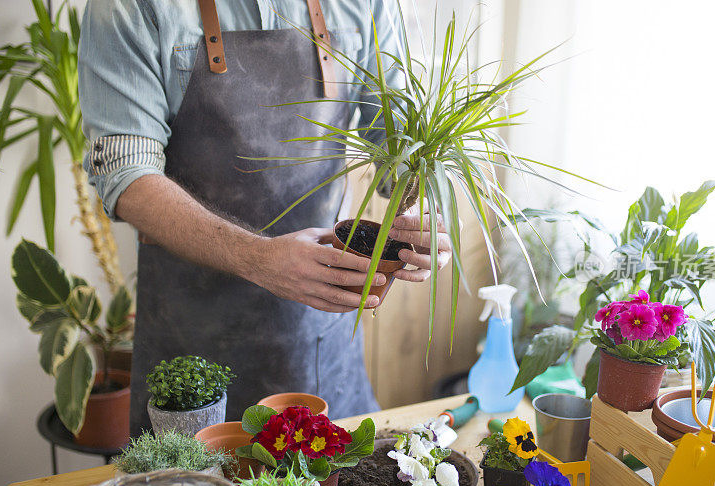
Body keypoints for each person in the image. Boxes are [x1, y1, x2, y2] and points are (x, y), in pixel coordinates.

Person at [78, 0, 451, 434]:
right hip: (191, 353)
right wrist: (259, 258)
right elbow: (127, 176)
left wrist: (426, 207)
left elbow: (400, 140)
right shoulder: (129, 7)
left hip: (319, 347)